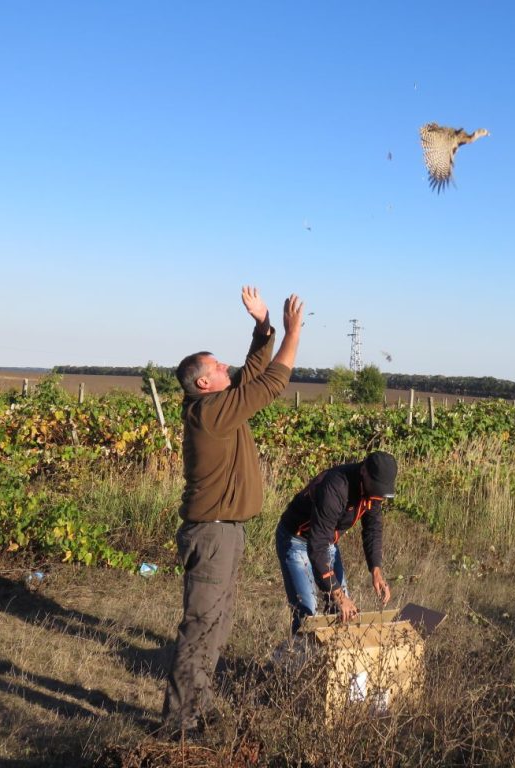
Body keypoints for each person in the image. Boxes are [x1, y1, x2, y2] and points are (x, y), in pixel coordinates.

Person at [162, 286, 304, 738]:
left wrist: (264, 327)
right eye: (219, 366)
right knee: (201, 627)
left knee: (216, 628)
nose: (227, 368)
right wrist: (293, 332)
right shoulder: (211, 414)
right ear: (204, 383)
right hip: (212, 535)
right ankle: (178, 727)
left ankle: (196, 713)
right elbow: (272, 382)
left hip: (224, 533)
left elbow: (253, 373)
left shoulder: (216, 406)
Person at [275, 451, 397, 634]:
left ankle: (333, 661)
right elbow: (316, 548)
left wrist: (376, 570)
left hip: (326, 542)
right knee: (308, 613)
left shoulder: (375, 491)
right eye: (376, 488)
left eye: (382, 490)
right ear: (364, 471)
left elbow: (373, 528)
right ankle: (298, 661)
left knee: (343, 612)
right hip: (296, 540)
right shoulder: (336, 487)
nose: (377, 495)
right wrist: (339, 596)